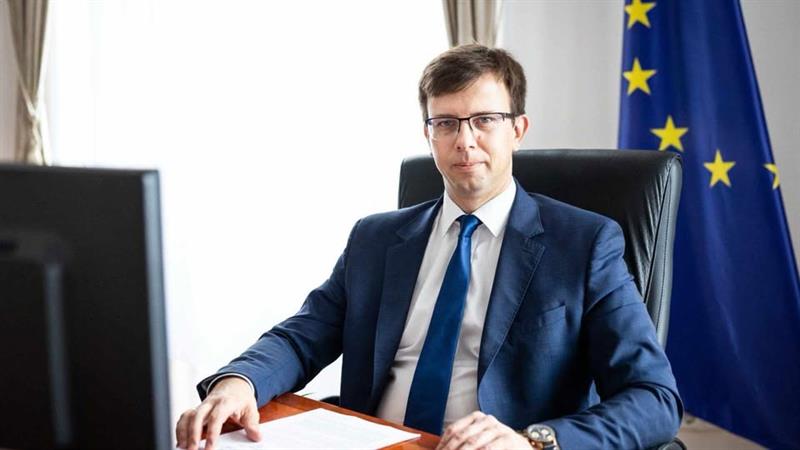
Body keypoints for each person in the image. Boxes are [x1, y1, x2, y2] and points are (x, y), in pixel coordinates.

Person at [176, 44, 682, 450]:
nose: (465, 141)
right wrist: (239, 382)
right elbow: (301, 337)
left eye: (485, 119)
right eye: (446, 123)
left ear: (518, 130)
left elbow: (654, 398)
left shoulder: (585, 243)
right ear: (429, 135)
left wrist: (534, 441)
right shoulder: (375, 238)